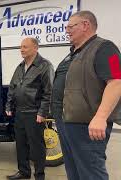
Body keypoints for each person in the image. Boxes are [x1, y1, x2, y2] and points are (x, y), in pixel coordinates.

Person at [54, 11, 121, 180]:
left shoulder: (107, 48)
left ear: (85, 25)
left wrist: (101, 117)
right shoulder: (72, 53)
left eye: (70, 26)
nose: (66, 30)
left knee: (91, 173)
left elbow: (117, 81)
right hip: (66, 123)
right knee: (74, 171)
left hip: (88, 125)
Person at [5, 37, 54, 180]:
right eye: (21, 47)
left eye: (25, 47)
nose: (21, 49)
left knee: (37, 147)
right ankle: (24, 172)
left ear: (35, 48)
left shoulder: (44, 66)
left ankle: (39, 175)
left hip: (34, 113)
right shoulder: (20, 66)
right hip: (19, 112)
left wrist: (42, 112)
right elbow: (13, 87)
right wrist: (9, 105)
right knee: (20, 144)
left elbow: (49, 91)